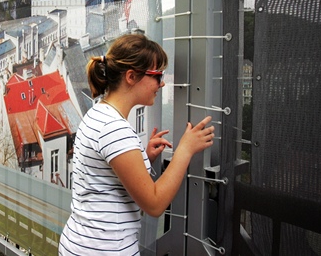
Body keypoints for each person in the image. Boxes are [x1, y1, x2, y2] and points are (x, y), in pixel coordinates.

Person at [58, 34, 214, 255]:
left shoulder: (98, 113)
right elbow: (154, 203)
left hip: (83, 244)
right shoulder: (114, 128)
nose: (162, 83)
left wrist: (143, 156)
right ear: (131, 76)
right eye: (157, 75)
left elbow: (105, 177)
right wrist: (185, 150)